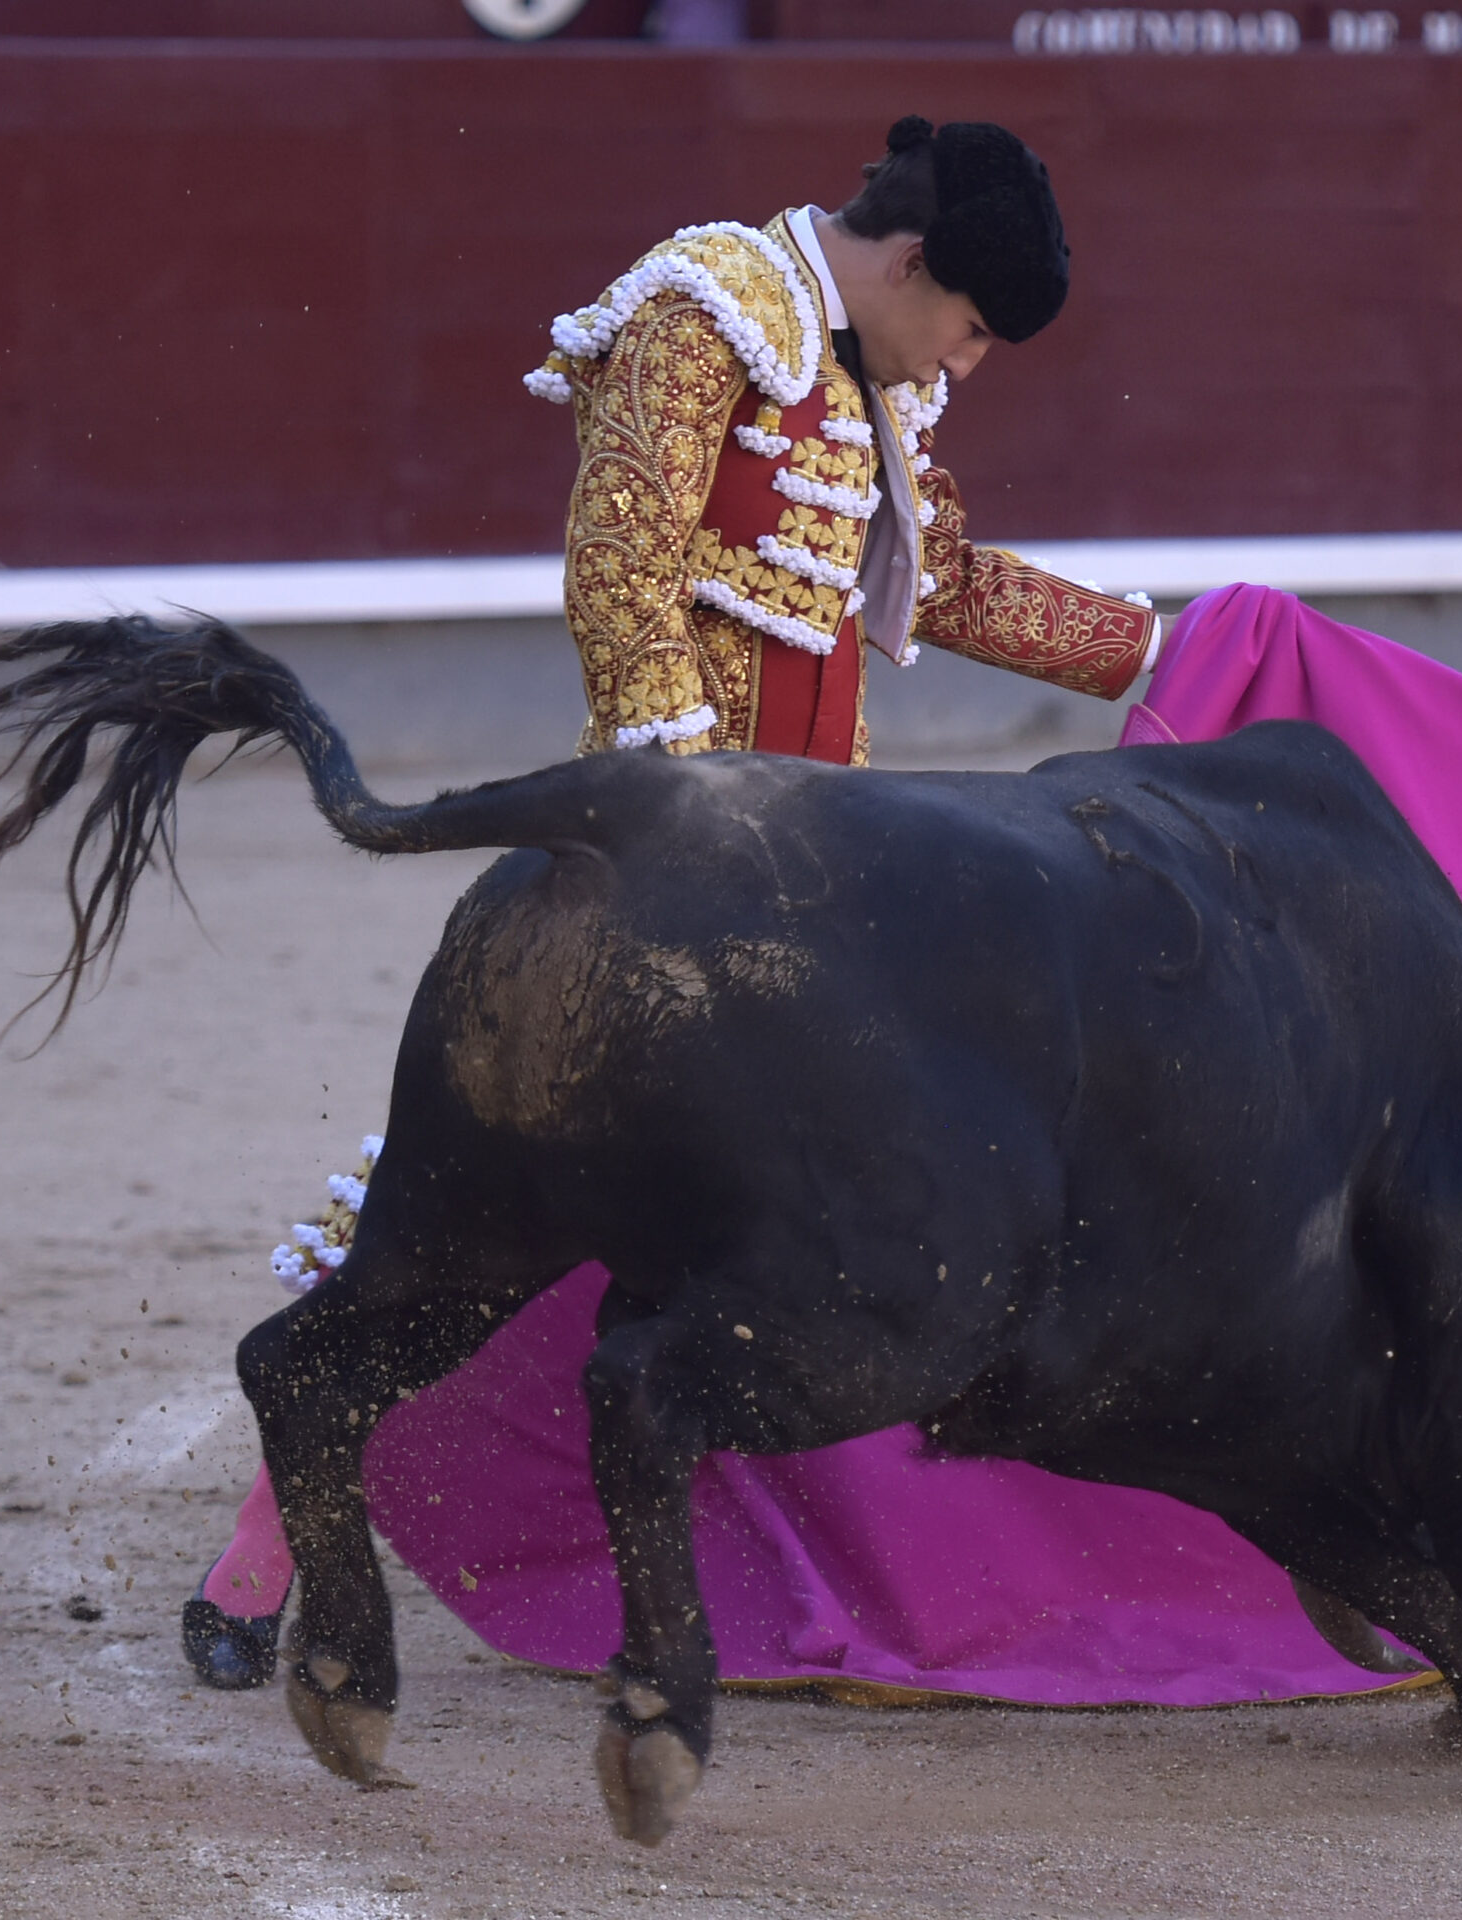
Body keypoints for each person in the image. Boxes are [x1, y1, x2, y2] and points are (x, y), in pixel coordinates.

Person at [182, 115, 1163, 1687]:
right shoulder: (706, 309)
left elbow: (946, 580)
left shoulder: (879, 373)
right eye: (973, 327)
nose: (967, 364)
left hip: (827, 878)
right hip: (662, 860)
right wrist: (692, 828)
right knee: (469, 1213)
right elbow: (620, 565)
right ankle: (259, 1559)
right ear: (913, 263)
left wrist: (1159, 650)